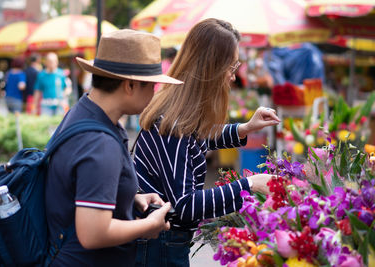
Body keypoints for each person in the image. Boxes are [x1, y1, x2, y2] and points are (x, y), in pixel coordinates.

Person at [133, 18, 281, 267]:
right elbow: (185, 205)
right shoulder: (174, 125)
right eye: (231, 67)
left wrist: (244, 128)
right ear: (210, 69)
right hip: (160, 245)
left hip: (161, 240)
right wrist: (250, 184)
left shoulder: (177, 114)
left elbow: (198, 136)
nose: (233, 77)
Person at [44, 29, 183, 266]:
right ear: (129, 85)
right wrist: (149, 225)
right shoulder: (101, 143)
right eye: (151, 85)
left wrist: (130, 199)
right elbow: (93, 233)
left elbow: (82, 187)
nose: (154, 92)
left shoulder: (84, 111)